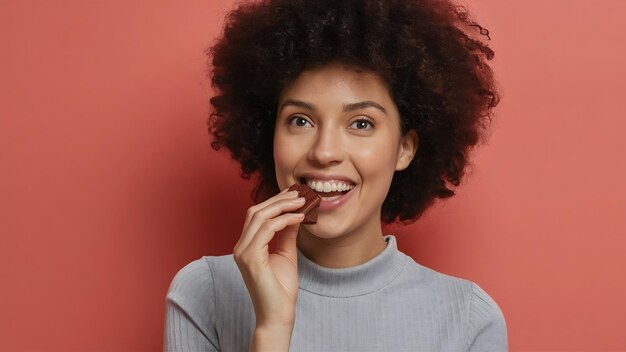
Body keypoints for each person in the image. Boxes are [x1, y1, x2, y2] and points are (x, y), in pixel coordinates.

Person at [163, 0, 507, 350]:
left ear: (404, 148)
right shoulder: (204, 293)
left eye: (361, 123)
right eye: (301, 121)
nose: (324, 152)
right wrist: (271, 329)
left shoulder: (468, 320)